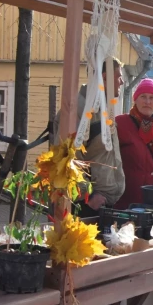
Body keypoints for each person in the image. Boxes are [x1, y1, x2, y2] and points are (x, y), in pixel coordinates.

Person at [54, 58, 126, 217]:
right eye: (118, 76)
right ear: (105, 78)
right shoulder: (79, 110)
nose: (121, 82)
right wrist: (89, 196)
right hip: (84, 205)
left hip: (102, 203)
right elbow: (65, 160)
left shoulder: (104, 109)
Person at [114, 78, 153, 209]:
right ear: (135, 99)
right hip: (126, 200)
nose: (147, 102)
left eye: (152, 97)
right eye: (143, 96)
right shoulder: (120, 123)